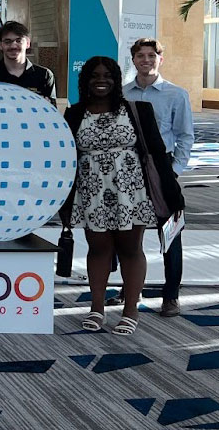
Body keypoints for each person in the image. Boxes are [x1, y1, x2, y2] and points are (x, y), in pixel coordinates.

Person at [62, 56, 183, 336]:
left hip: (131, 192)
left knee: (130, 249)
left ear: (117, 80)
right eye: (94, 75)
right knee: (98, 248)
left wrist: (173, 193)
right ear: (85, 80)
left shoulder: (137, 110)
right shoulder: (75, 113)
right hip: (91, 192)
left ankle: (130, 311)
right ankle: (96, 308)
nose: (101, 80)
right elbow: (65, 158)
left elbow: (157, 153)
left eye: (108, 75)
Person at [124, 37, 194, 317]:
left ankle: (171, 296)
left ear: (159, 59)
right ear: (134, 60)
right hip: (129, 167)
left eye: (151, 55)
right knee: (127, 233)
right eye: (140, 56)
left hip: (163, 167)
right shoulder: (124, 93)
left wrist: (174, 170)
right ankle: (130, 288)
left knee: (170, 233)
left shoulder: (175, 94)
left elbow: (185, 136)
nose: (146, 60)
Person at [0, 20, 56, 100]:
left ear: (28, 43)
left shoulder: (44, 76)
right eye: (7, 42)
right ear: (0, 45)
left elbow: (52, 110)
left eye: (19, 41)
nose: (13, 46)